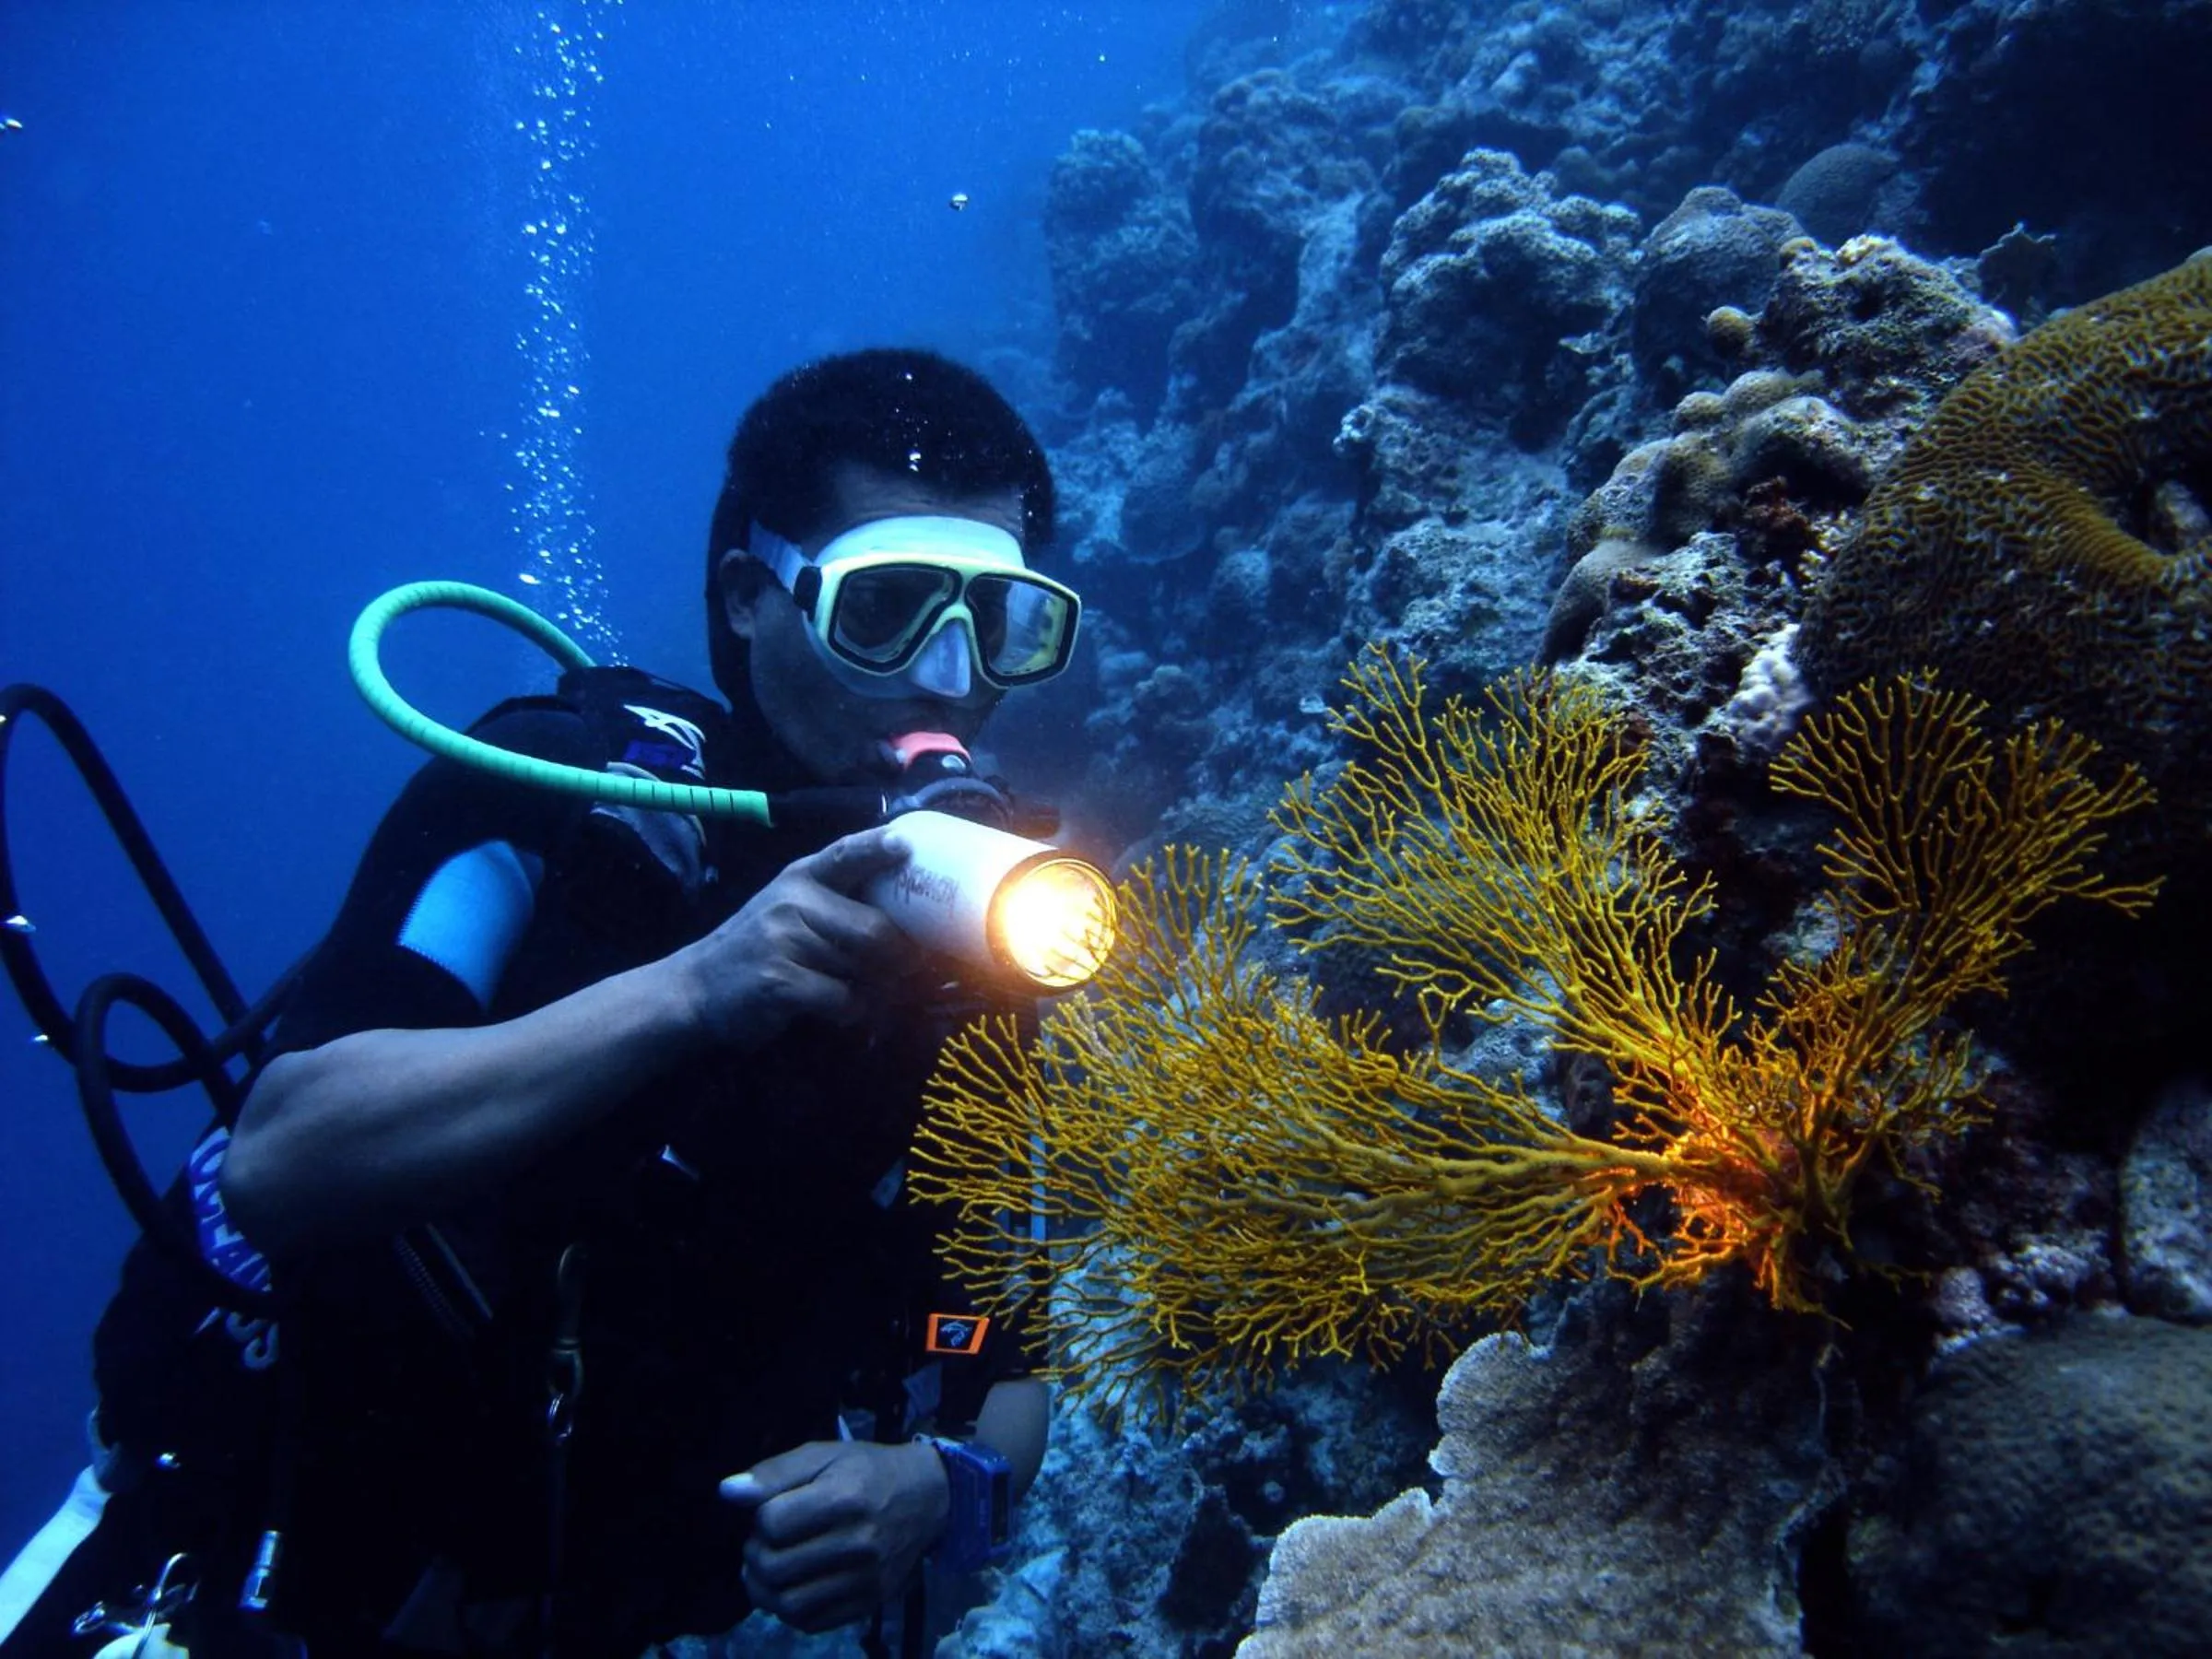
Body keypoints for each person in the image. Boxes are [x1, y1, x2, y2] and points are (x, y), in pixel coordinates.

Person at [0, 348, 1071, 1657]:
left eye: (1005, 623)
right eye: (887, 609)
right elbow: (282, 1156)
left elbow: (1012, 1346)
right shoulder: (558, 802)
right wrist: (696, 987)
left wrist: (942, 1488)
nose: (952, 678)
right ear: (750, 598)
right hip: (235, 1568)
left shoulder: (969, 949)